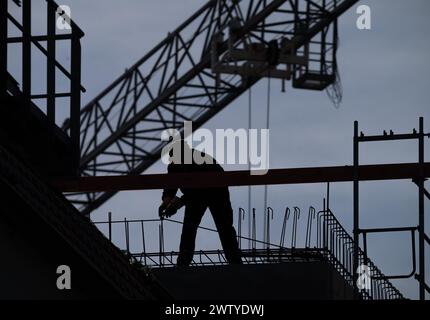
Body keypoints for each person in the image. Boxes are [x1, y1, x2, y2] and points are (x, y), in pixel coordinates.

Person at [159, 139, 242, 266]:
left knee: (224, 227)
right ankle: (183, 263)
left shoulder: (202, 161)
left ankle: (234, 261)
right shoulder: (175, 165)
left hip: (217, 192)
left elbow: (201, 191)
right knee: (189, 229)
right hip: (196, 194)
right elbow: (171, 186)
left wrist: (180, 202)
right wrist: (165, 202)